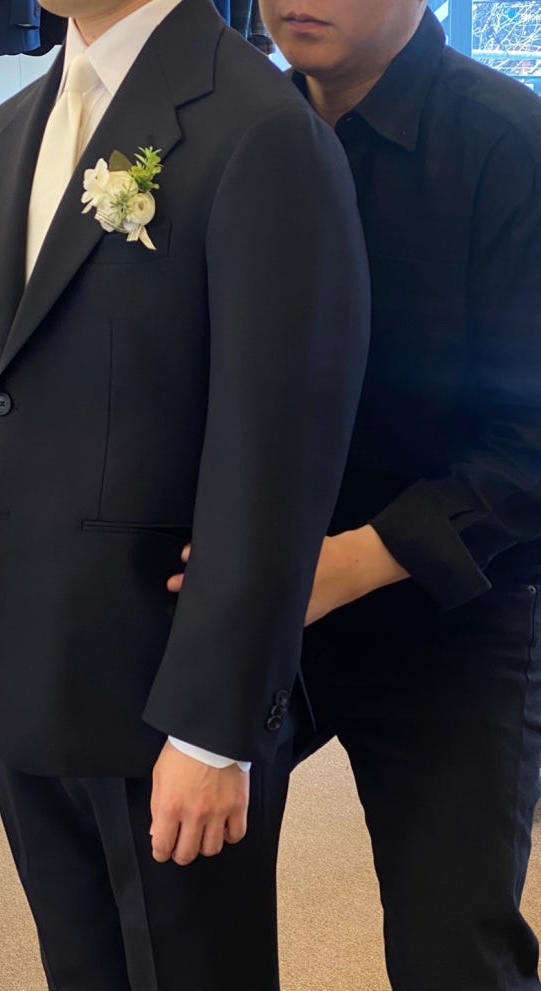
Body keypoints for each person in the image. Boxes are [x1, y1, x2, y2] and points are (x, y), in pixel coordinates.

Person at [0, 0, 370, 986]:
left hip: (161, 685)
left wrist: (213, 726)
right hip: (22, 670)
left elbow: (276, 456)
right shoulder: (2, 136)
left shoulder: (263, 132)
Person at [171, 1, 541, 987]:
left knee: (452, 948)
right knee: (175, 897)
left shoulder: (509, 145)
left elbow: (531, 445)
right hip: (256, 594)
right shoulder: (227, 128)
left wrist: (343, 564)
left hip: (454, 610)